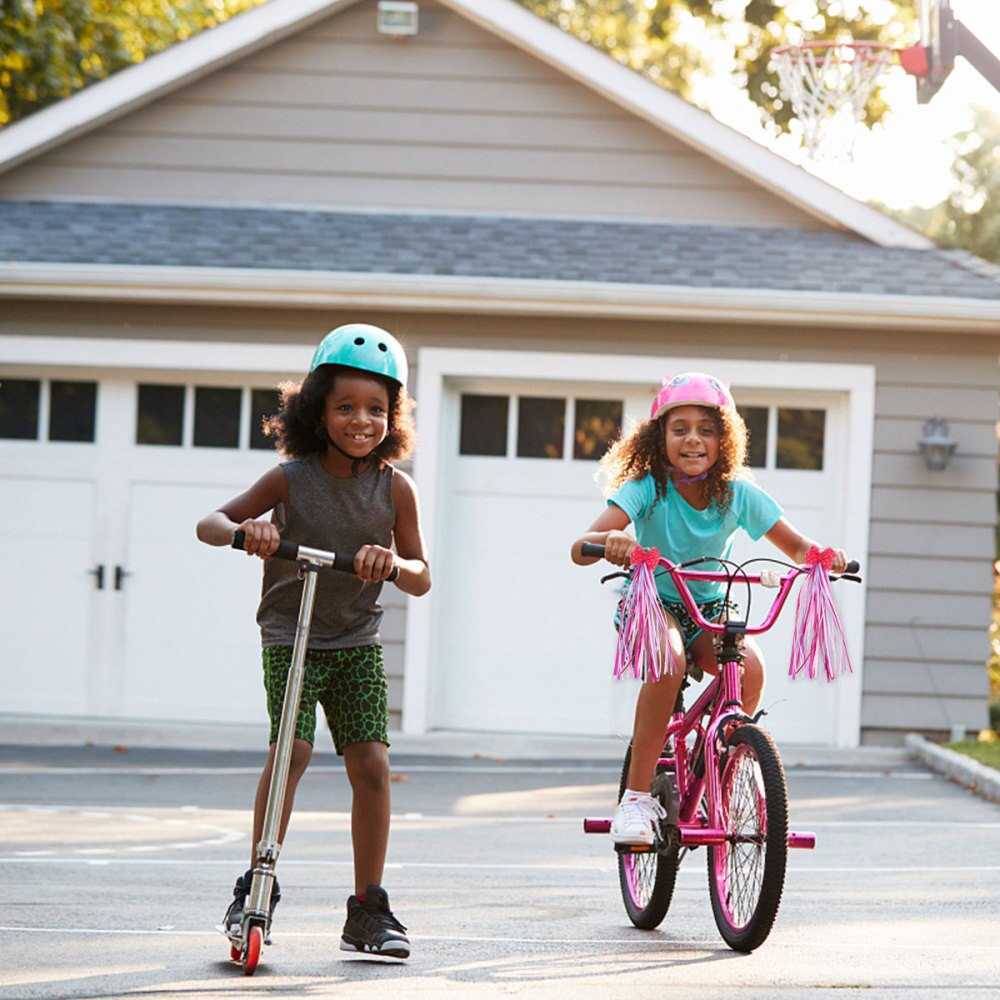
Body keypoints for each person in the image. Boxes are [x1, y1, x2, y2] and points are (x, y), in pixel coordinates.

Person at [196, 323, 430, 959]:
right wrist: (252, 532)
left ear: (394, 416)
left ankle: (368, 909)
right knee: (292, 751)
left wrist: (390, 562)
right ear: (317, 410)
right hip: (290, 636)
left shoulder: (395, 489)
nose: (362, 420)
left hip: (355, 639)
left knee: (372, 765)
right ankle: (257, 889)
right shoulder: (289, 479)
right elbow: (209, 524)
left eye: (377, 409)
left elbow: (422, 576)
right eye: (346, 407)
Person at [570, 372, 845, 846]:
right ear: (660, 438)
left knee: (750, 667)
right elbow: (580, 546)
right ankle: (635, 799)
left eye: (706, 429)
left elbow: (796, 544)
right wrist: (611, 540)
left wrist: (821, 556)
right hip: (654, 604)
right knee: (669, 662)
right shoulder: (647, 488)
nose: (693, 439)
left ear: (725, 439)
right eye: (679, 429)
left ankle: (720, 756)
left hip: (711, 603)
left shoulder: (737, 493)